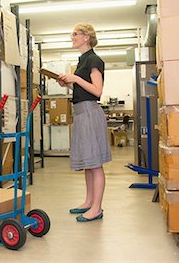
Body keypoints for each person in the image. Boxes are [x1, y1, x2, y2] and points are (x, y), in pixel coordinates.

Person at [58, 23, 111, 222]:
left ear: (86, 37)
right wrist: (69, 84)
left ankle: (96, 208)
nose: (72, 37)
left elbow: (97, 91)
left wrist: (76, 80)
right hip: (81, 112)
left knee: (95, 164)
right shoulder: (82, 61)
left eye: (75, 34)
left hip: (90, 112)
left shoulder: (94, 60)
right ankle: (89, 202)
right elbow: (83, 90)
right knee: (89, 163)